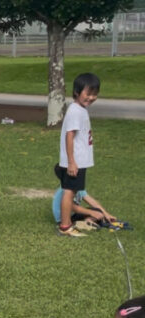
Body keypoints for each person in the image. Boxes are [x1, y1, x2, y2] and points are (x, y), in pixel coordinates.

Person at [56, 73, 101, 238]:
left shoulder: (81, 109)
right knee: (69, 192)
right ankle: (65, 226)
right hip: (76, 162)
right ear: (76, 92)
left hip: (80, 161)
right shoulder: (75, 111)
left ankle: (67, 223)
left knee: (72, 191)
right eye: (87, 93)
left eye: (94, 94)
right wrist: (71, 162)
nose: (91, 97)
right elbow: (70, 136)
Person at [50, 180, 116, 233]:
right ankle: (83, 223)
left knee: (98, 211)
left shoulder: (78, 187)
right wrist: (91, 213)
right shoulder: (67, 189)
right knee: (95, 213)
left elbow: (92, 202)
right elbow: (72, 206)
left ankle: (87, 221)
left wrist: (106, 214)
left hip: (73, 215)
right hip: (64, 218)